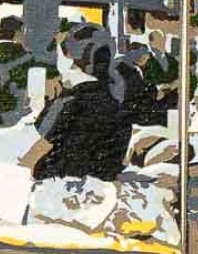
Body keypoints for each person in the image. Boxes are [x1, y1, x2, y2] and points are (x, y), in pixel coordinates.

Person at [32, 24, 133, 182]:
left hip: (56, 193)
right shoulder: (115, 102)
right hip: (101, 193)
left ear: (69, 58)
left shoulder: (68, 102)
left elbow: (31, 158)